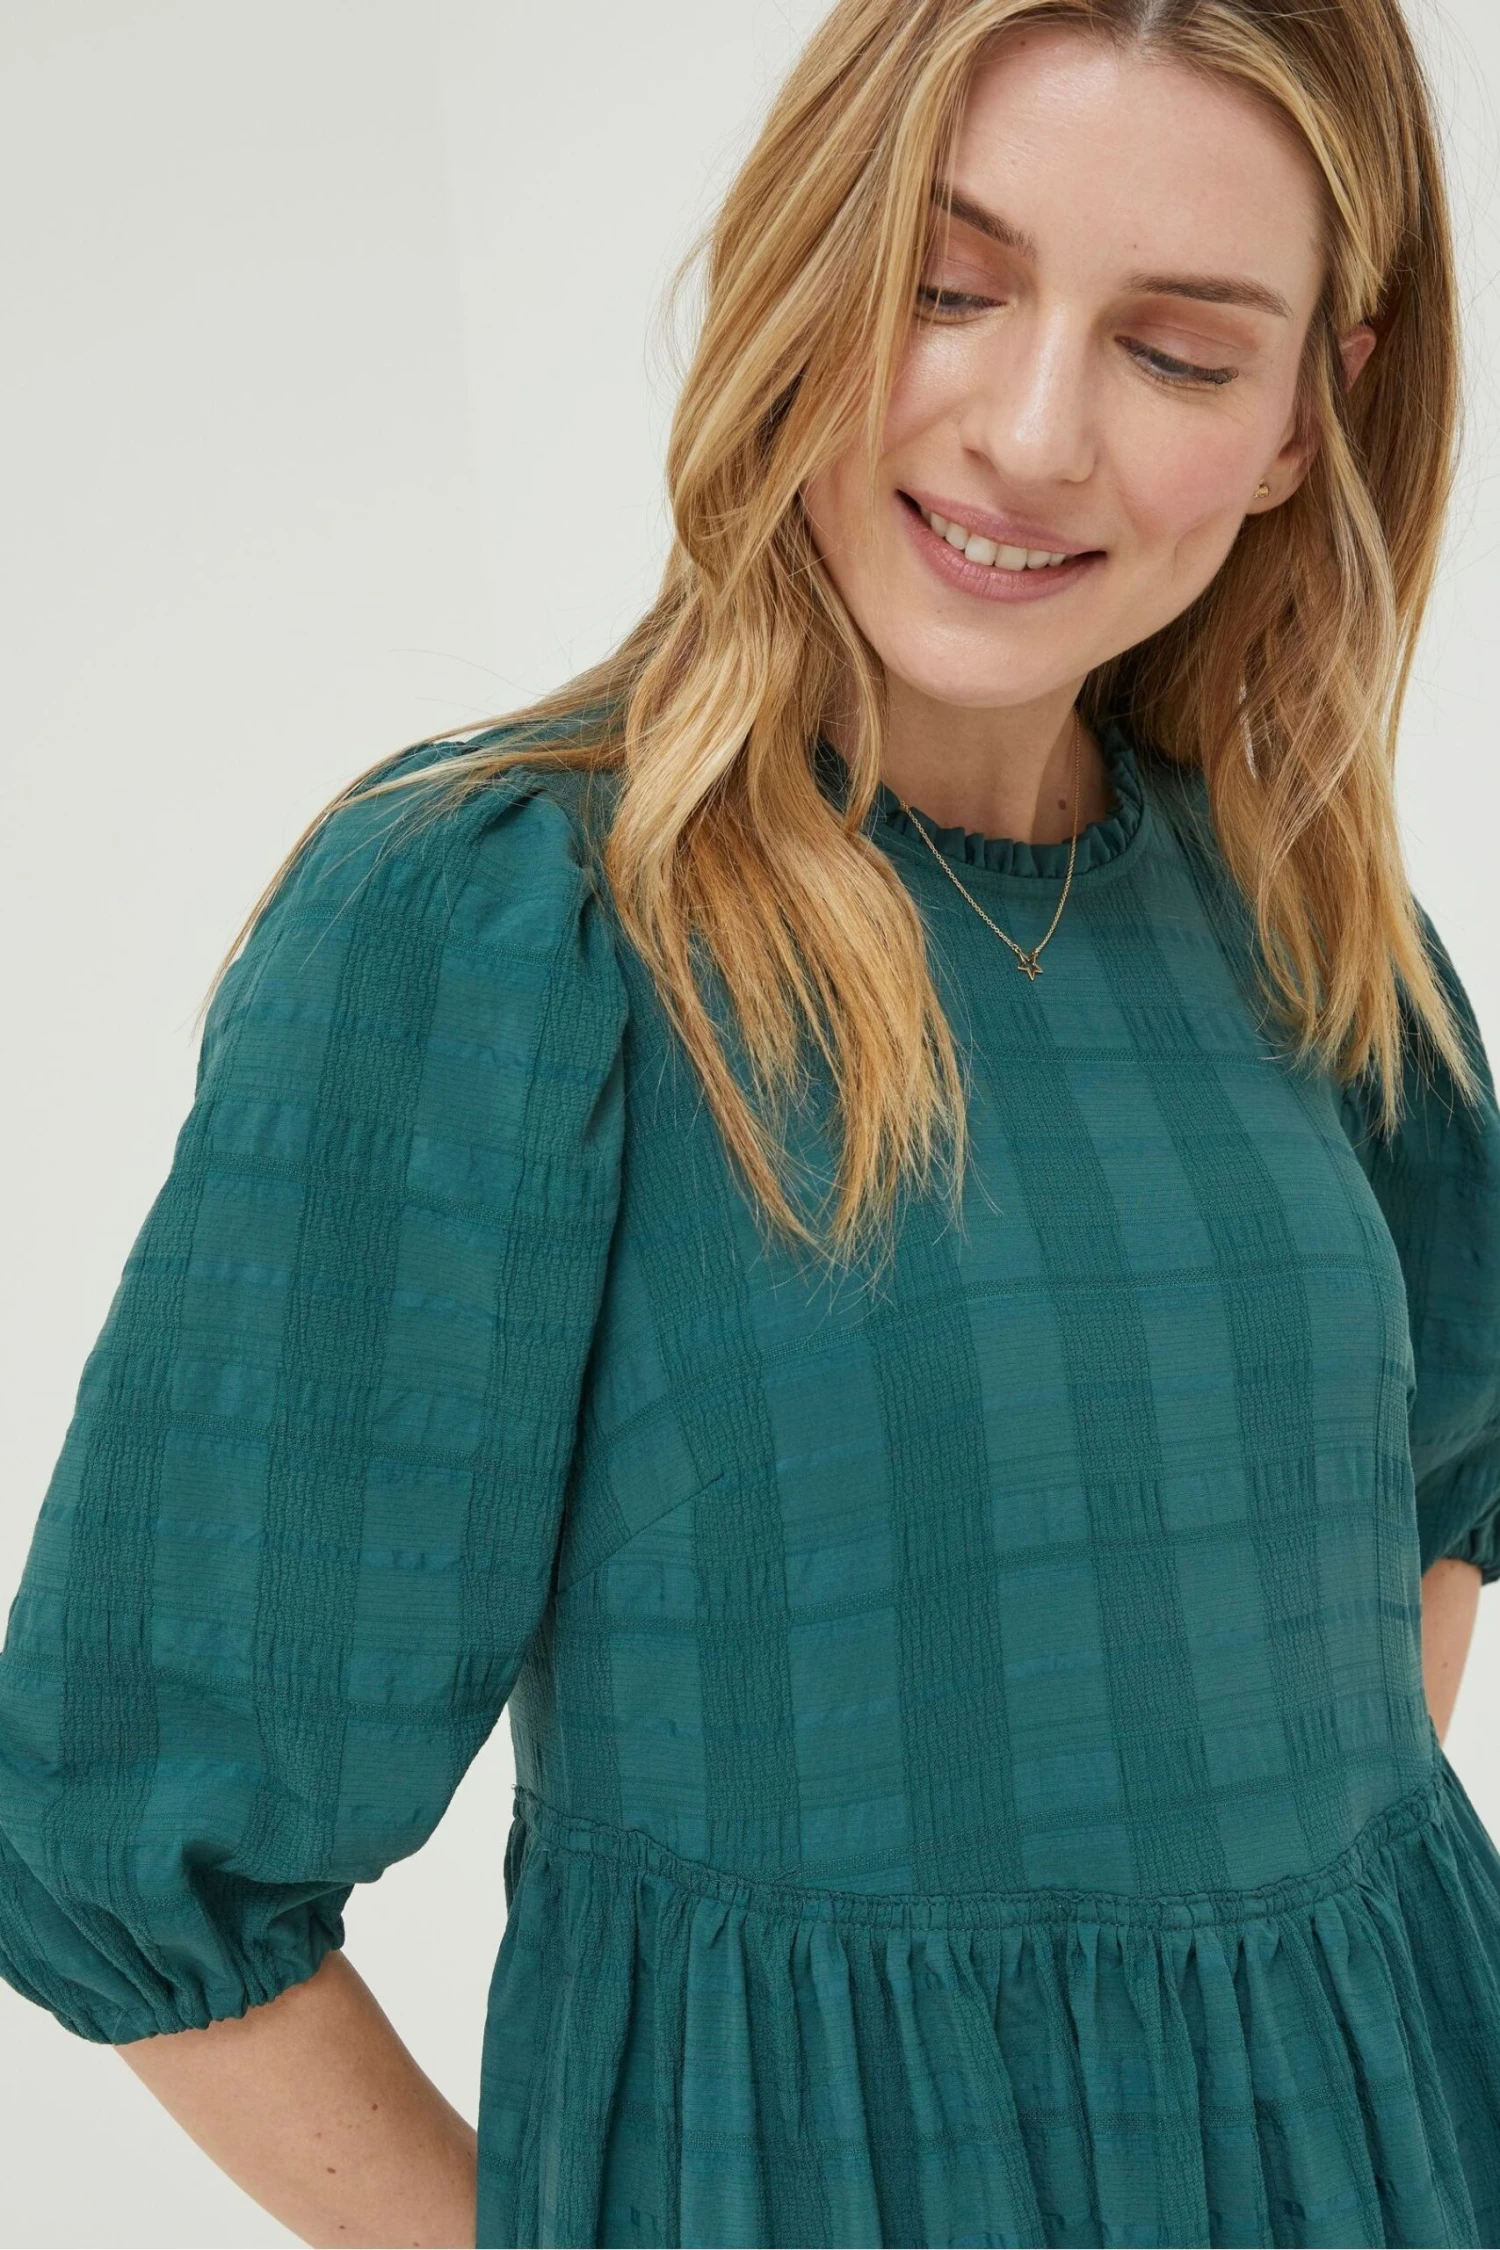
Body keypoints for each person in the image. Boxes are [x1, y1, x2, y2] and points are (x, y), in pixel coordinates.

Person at [3, 0, 1499, 2243]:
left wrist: (1278, 1972)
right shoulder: (508, 932)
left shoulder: (1306, 918)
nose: (1031, 434)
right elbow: (136, 1851)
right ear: (809, 261)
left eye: (1179, 352)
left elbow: (1441, 1487)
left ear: (1309, 417)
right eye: (948, 283)